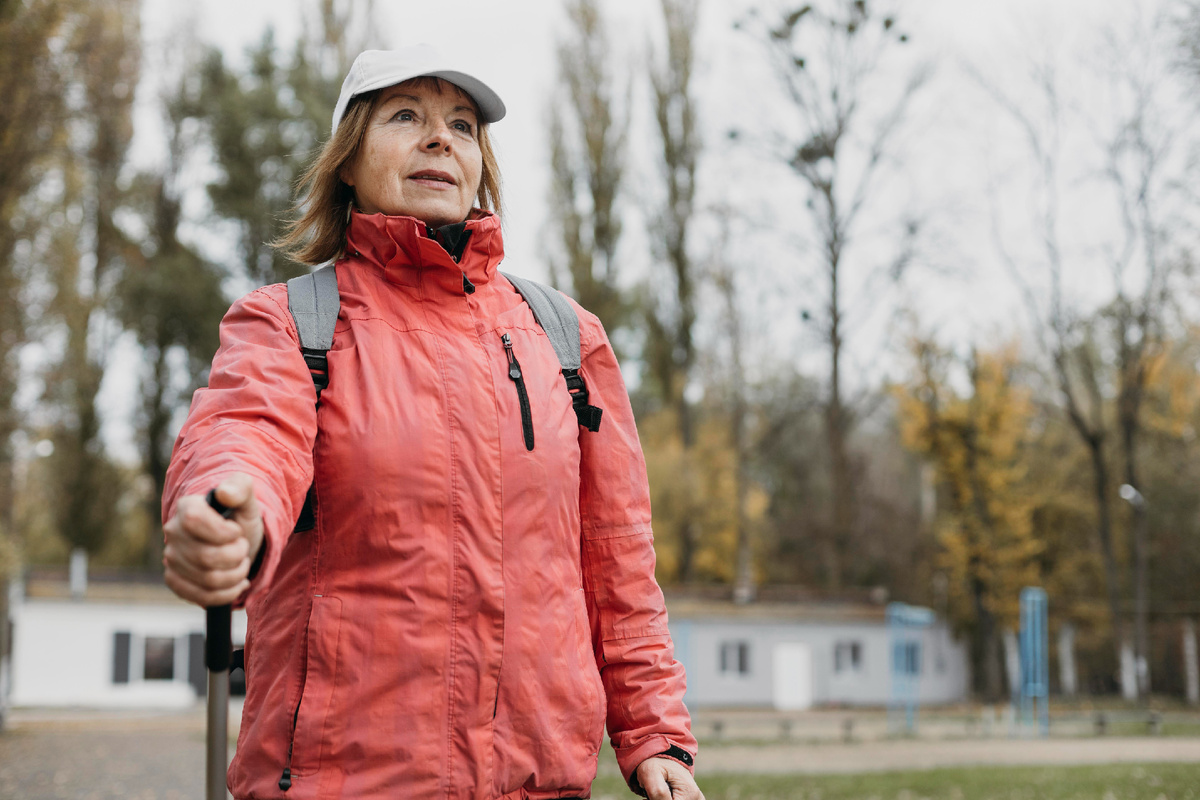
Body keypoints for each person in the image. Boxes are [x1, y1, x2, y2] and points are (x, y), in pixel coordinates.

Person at [162, 45, 702, 800]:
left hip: (537, 784)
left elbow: (616, 563)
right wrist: (227, 510)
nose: (441, 138)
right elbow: (245, 431)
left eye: (462, 124)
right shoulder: (290, 324)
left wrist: (653, 733)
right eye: (406, 115)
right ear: (348, 158)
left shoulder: (565, 336)